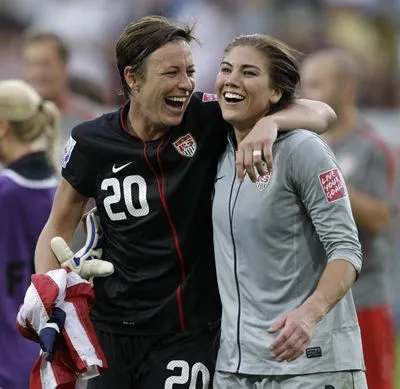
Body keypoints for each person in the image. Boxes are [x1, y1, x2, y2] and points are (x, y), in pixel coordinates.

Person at [34, 16, 336, 389]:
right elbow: (58, 226)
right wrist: (49, 297)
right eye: (171, 72)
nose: (186, 84)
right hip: (110, 327)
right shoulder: (90, 141)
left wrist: (269, 125)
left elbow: (321, 113)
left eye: (190, 71)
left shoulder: (206, 116)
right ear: (133, 78)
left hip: (187, 332)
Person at [212, 35, 367, 389]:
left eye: (249, 73)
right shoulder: (216, 148)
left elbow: (347, 251)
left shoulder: (304, 151)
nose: (232, 80)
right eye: (225, 69)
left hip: (309, 365)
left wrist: (308, 317)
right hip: (237, 368)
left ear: (276, 93)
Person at [301, 48, 396, 389]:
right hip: (315, 302)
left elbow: (381, 217)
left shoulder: (371, 147)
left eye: (316, 85)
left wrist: (331, 180)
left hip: (363, 298)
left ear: (345, 91)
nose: (305, 95)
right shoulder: (302, 145)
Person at [0, 79, 59, 389]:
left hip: (5, 359)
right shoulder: (58, 190)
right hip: (44, 357)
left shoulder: (6, 192)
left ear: (3, 126)